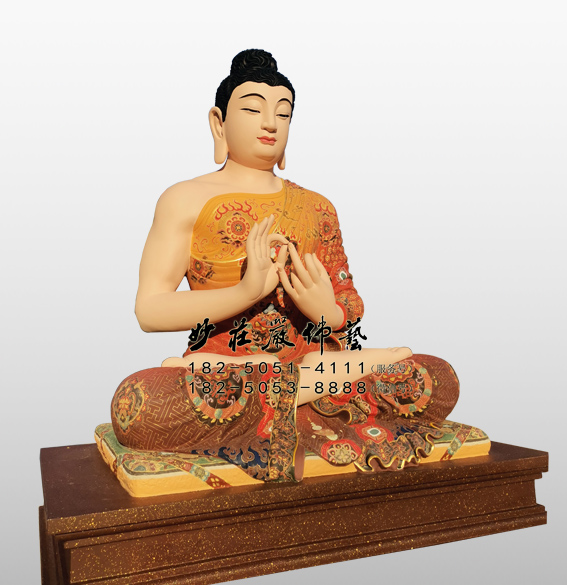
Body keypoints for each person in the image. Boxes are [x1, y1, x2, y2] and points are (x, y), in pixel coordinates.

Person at [111, 49, 459, 482]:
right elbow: (149, 310)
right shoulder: (184, 199)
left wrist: (327, 311)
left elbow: (349, 302)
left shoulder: (317, 206)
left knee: (438, 376)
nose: (271, 123)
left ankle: (290, 385)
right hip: (226, 374)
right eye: (253, 109)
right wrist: (244, 293)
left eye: (283, 113)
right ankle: (301, 385)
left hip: (312, 361)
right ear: (219, 123)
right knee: (138, 402)